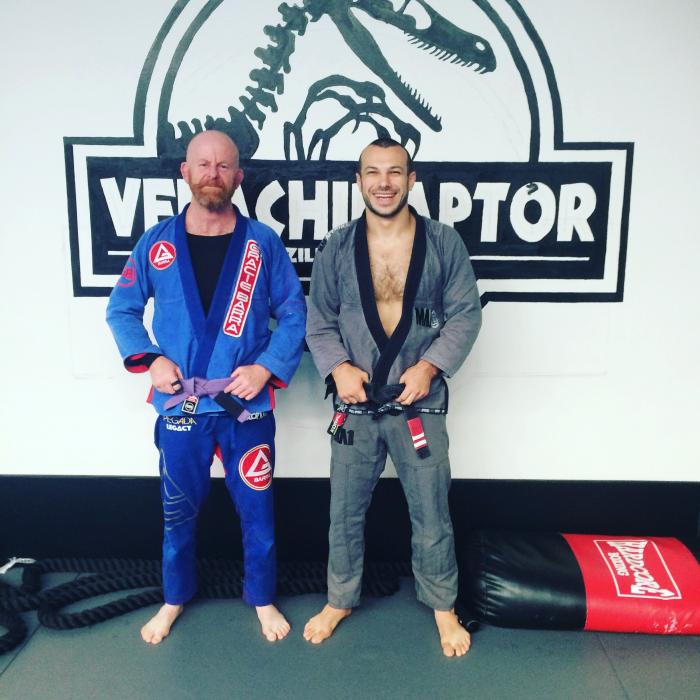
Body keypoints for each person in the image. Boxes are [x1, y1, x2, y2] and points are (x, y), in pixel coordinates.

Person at [106, 130, 306, 644]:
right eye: (203, 164)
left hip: (245, 405)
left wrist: (265, 368)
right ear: (185, 172)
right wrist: (151, 359)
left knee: (257, 510)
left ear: (238, 176)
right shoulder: (157, 243)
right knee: (177, 510)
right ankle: (174, 597)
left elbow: (293, 313)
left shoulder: (262, 244)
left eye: (223, 166)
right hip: (182, 405)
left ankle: (262, 597)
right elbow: (122, 309)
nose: (212, 174)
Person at [303, 138, 482, 657]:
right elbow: (320, 320)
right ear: (358, 180)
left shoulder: (443, 243)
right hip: (355, 406)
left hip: (419, 404)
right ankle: (339, 599)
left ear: (412, 179)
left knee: (431, 509)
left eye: (395, 172)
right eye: (373, 172)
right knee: (344, 511)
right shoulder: (337, 247)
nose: (384, 182)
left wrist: (430, 366)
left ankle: (443, 605)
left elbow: (465, 314)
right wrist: (338, 368)